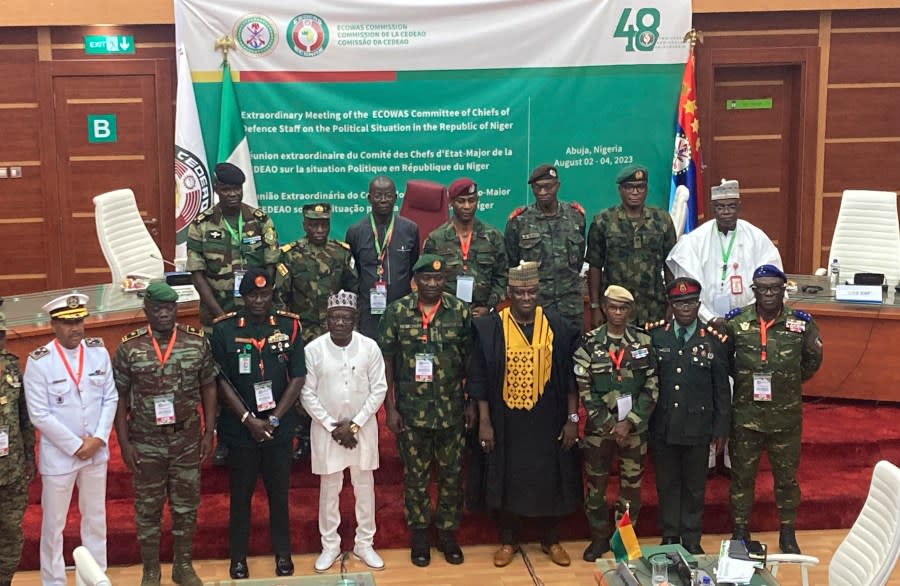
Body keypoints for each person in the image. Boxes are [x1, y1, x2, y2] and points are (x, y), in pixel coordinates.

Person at [666, 178, 783, 475]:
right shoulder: (697, 238)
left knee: (741, 391)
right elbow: (687, 284)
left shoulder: (756, 238)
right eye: (720, 207)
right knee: (707, 391)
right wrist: (708, 317)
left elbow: (772, 282)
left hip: (746, 327)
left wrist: (745, 319)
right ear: (713, 208)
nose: (727, 212)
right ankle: (706, 454)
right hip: (706, 324)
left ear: (739, 206)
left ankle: (733, 454)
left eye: (732, 206)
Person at [469, 261, 581, 568]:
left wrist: (572, 420)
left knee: (551, 476)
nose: (526, 298)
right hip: (506, 421)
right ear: (509, 293)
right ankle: (509, 540)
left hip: (549, 418)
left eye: (532, 291)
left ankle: (551, 539)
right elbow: (478, 376)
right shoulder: (491, 327)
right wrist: (485, 422)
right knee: (509, 477)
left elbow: (572, 378)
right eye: (519, 292)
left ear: (539, 291)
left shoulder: (558, 326)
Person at [111, 282, 218, 586]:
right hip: (145, 440)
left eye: (169, 308)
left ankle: (183, 566)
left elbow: (209, 385)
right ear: (146, 310)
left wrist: (209, 430)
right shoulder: (129, 347)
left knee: (186, 505)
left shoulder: (195, 342)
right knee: (148, 508)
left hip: (186, 437)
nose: (163, 314)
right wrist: (124, 441)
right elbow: (119, 396)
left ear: (176, 309)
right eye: (157, 308)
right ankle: (151, 570)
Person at [210, 268, 305, 579]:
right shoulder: (224, 330)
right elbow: (220, 380)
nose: (259, 300)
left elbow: (298, 377)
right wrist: (248, 420)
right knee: (241, 497)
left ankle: (283, 555)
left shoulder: (289, 326)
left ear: (272, 293)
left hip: (278, 429)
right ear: (244, 296)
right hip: (240, 431)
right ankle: (238, 558)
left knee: (279, 495)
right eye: (252, 295)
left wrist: (275, 418)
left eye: (264, 294)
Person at [379, 254, 472, 567]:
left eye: (438, 278)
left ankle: (447, 534)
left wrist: (470, 402)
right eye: (426, 279)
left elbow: (471, 362)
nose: (432, 284)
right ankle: (419, 535)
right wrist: (390, 408)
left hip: (451, 411)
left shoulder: (459, 311)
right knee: (415, 477)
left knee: (451, 475)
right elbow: (387, 362)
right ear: (414, 281)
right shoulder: (396, 312)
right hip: (411, 411)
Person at [725, 264, 823, 554]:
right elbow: (727, 361)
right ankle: (740, 530)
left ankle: (787, 531)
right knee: (742, 478)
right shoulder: (736, 322)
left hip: (786, 417)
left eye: (774, 288)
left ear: (784, 290)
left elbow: (812, 360)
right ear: (754, 290)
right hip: (746, 416)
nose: (768, 294)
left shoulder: (802, 323)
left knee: (786, 479)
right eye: (762, 289)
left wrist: (788, 381)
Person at [186, 161, 279, 466]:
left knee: (257, 373)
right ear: (216, 189)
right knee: (221, 376)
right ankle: (225, 438)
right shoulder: (202, 223)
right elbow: (198, 275)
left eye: (236, 189)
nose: (231, 195)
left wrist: (261, 304)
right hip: (218, 317)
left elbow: (269, 265)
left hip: (256, 314)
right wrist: (220, 316)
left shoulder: (259, 220)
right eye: (225, 189)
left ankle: (264, 428)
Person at [23, 293, 118, 586]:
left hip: (95, 452)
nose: (76, 328)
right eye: (68, 323)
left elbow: (110, 397)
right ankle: (53, 581)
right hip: (61, 457)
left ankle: (94, 577)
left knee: (95, 519)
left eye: (79, 321)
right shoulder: (40, 362)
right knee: (54, 525)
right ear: (53, 324)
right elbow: (39, 415)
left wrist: (99, 439)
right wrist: (77, 446)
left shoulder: (98, 353)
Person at [301, 290, 387, 573]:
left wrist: (355, 424)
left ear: (355, 319)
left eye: (345, 318)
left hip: (362, 429)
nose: (339, 322)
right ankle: (330, 545)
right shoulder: (313, 350)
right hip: (328, 432)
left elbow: (380, 389)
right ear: (327, 319)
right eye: (334, 317)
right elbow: (306, 393)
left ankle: (365, 543)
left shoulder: (370, 347)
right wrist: (332, 426)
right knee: (330, 489)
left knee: (364, 487)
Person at [573, 285, 658, 561]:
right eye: (612, 307)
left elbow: (652, 386)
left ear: (630, 310)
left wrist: (630, 422)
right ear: (604, 308)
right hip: (600, 431)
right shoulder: (589, 343)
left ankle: (623, 542)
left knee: (631, 490)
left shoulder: (643, 343)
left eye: (623, 308)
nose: (617, 313)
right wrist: (610, 424)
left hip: (634, 431)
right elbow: (585, 390)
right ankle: (598, 539)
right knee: (595, 488)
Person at [647, 278, 730, 555]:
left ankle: (692, 537)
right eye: (680, 303)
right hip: (664, 425)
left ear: (699, 304)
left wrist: (721, 429)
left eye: (691, 302)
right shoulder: (657, 337)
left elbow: (721, 390)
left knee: (695, 486)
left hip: (698, 427)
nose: (686, 308)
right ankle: (670, 535)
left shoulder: (713, 341)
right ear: (671, 305)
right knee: (667, 484)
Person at [275, 202, 358, 461]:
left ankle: (338, 427)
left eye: (324, 224)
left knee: (335, 383)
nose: (319, 229)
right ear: (304, 225)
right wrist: (290, 333)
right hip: (304, 332)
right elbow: (280, 298)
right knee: (304, 385)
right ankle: (304, 436)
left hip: (337, 333)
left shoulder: (341, 253)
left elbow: (353, 291)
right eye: (314, 224)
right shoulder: (290, 255)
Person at [586, 164, 677, 328]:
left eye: (640, 187)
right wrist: (594, 306)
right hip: (616, 308)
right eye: (629, 188)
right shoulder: (603, 221)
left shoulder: (662, 220)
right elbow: (595, 266)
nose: (635, 192)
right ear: (620, 190)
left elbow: (670, 264)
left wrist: (673, 301)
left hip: (654, 307)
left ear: (646, 189)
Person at [505, 164, 586, 329]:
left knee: (573, 352)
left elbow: (577, 262)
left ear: (557, 186)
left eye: (548, 187)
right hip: (535, 306)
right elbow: (512, 264)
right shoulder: (519, 221)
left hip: (570, 305)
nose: (542, 192)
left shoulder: (576, 217)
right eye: (537, 188)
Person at [346, 175, 419, 339]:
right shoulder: (355, 231)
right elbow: (353, 271)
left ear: (396, 197)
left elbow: (412, 266)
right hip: (369, 310)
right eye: (378, 195)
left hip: (402, 307)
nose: (383, 200)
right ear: (369, 198)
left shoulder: (410, 229)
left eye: (388, 195)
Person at [423, 177, 507, 317]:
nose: (467, 206)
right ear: (451, 203)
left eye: (471, 200)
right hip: (447, 316)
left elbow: (502, 277)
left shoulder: (493, 237)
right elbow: (428, 279)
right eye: (461, 201)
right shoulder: (436, 239)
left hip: (483, 315)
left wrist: (488, 306)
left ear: (477, 201)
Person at [0, 304, 36, 586]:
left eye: (2, 335)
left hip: (11, 471)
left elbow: (24, 415)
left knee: (11, 534)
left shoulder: (11, 366)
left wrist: (29, 456)